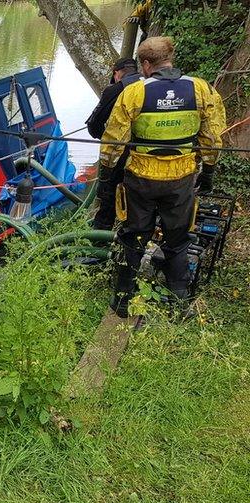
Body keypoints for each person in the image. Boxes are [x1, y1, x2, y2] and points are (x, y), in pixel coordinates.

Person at [98, 36, 226, 317]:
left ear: (145, 64)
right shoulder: (201, 89)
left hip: (140, 179)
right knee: (178, 239)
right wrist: (209, 171)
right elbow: (213, 136)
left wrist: (107, 175)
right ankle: (179, 305)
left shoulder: (134, 93)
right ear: (170, 59)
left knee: (133, 236)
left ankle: (122, 301)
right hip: (181, 178)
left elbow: (113, 141)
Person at [85, 58, 143, 230]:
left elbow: (94, 124)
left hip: (120, 155)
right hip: (148, 156)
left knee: (108, 195)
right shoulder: (150, 85)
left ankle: (101, 241)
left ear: (117, 73)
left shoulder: (116, 89)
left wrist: (101, 136)